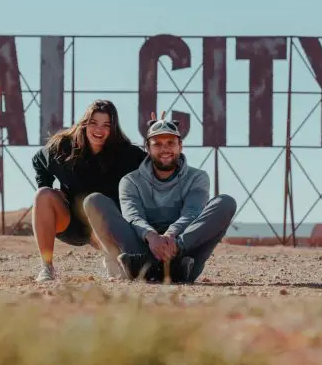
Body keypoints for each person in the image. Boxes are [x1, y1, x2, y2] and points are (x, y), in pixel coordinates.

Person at [83, 112, 237, 283]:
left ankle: (176, 263)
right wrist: (151, 236)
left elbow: (192, 212)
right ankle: (138, 265)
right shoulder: (131, 181)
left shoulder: (197, 177)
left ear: (180, 146)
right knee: (93, 202)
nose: (165, 149)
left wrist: (173, 239)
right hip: (140, 254)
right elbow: (133, 216)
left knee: (226, 203)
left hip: (184, 258)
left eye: (171, 143)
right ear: (147, 148)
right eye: (157, 144)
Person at [31, 99, 147, 282]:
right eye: (94, 123)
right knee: (43, 195)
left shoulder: (126, 154)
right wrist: (46, 184)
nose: (99, 130)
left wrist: (157, 134)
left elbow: (153, 167)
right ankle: (47, 267)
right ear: (85, 124)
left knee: (125, 275)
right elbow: (38, 160)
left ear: (113, 129)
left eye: (106, 125)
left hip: (105, 229)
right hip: (70, 223)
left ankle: (114, 259)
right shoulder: (63, 146)